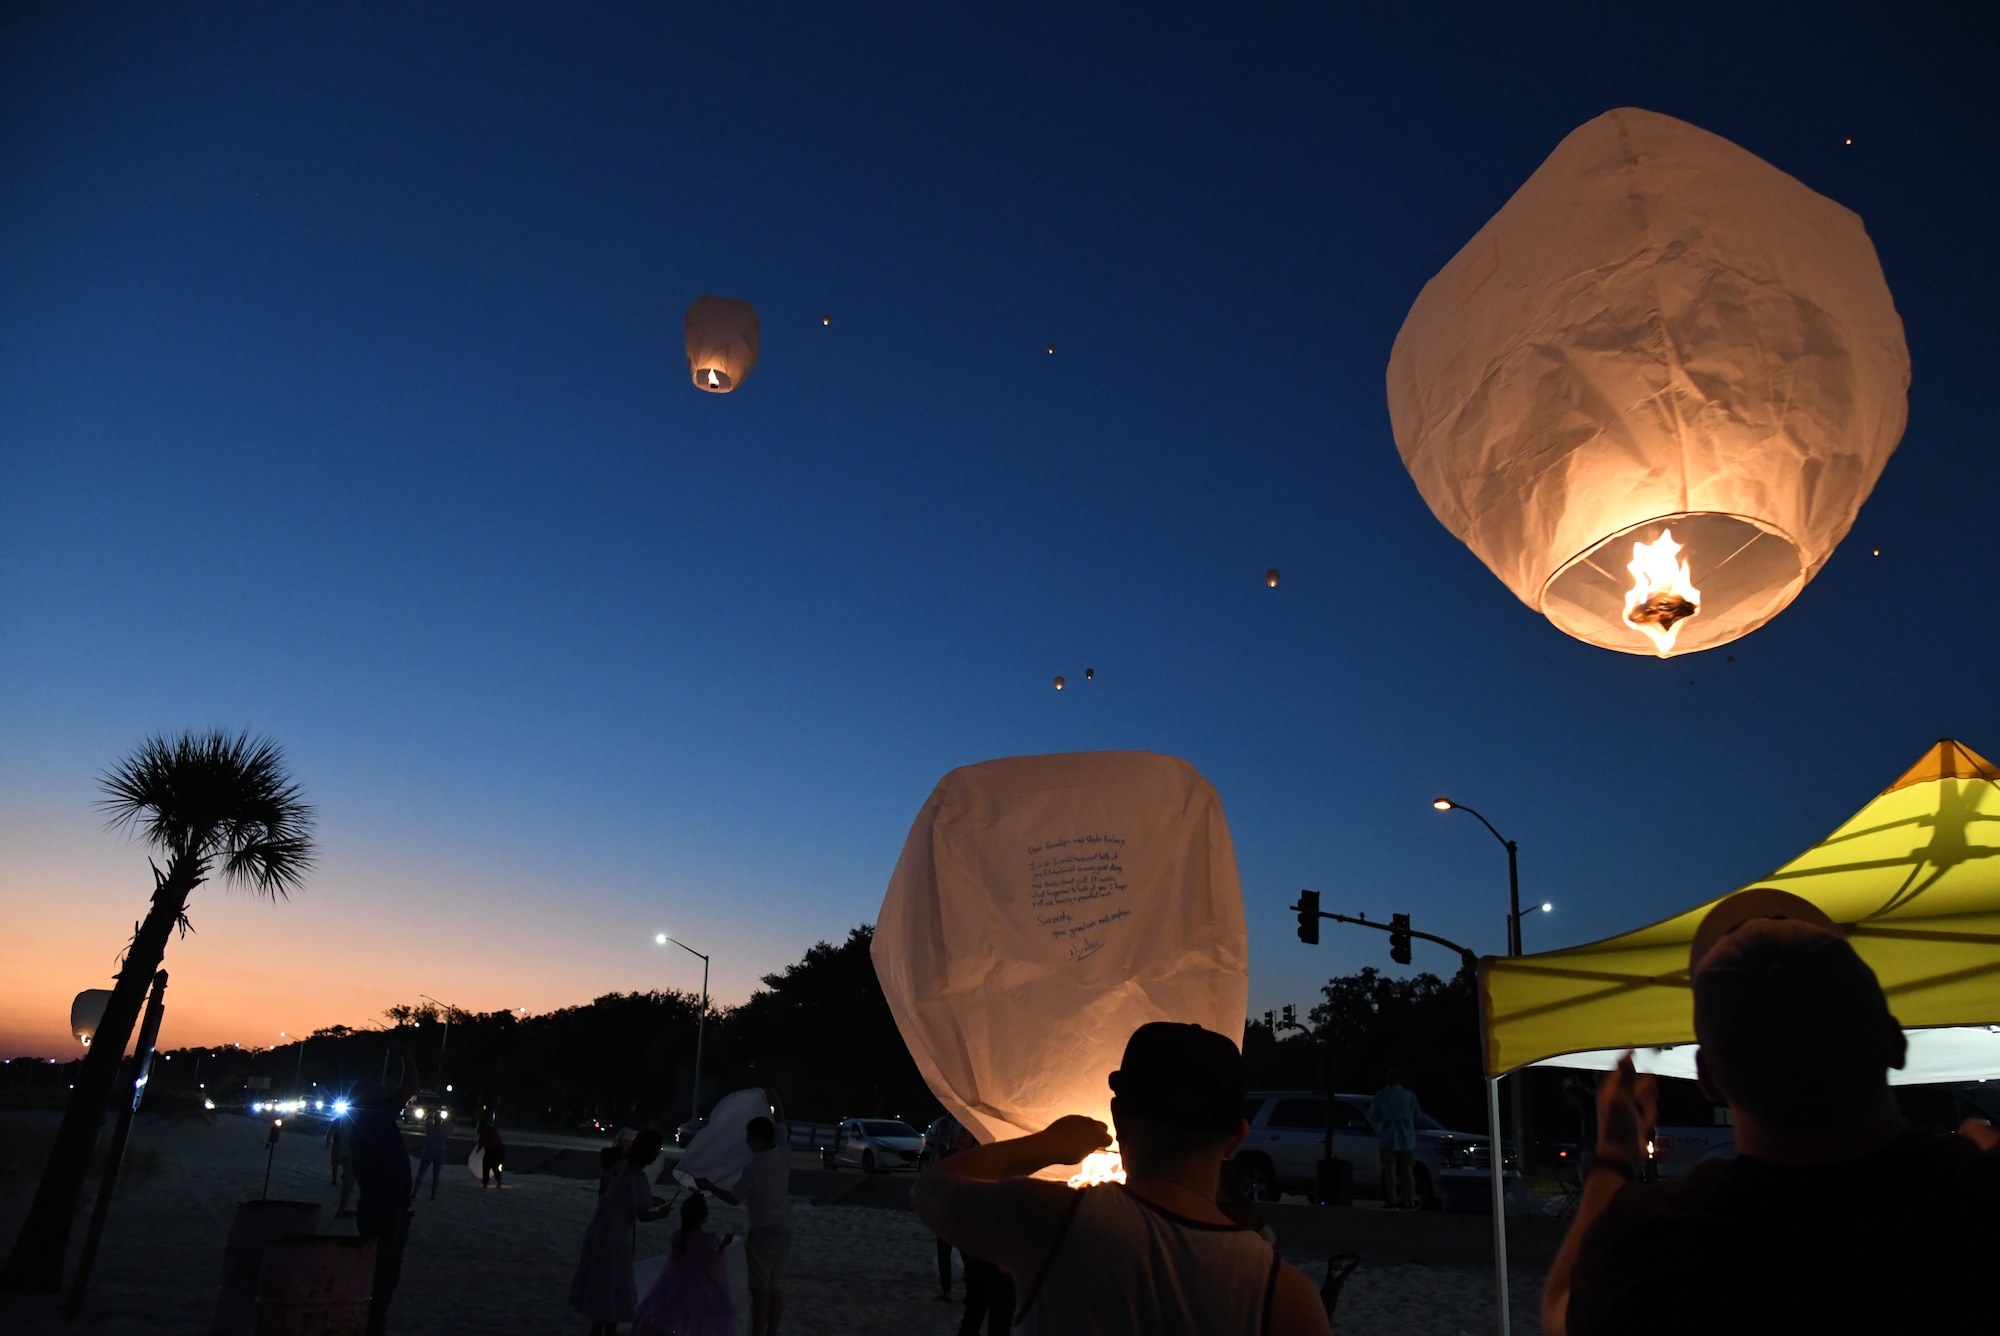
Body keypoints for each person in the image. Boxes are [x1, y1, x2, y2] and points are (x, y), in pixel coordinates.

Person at [1542, 889, 2000, 1336]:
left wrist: (1611, 1160)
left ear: (1709, 1079)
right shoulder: (1978, 1202)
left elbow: (1561, 1311)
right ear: (1895, 1040)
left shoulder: (1656, 1246)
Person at [911, 1021, 1331, 1335]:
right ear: (1236, 1139)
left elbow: (931, 1189)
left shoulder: (1051, 1221)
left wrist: (1047, 1145)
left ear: (1117, 1117)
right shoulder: (1287, 1297)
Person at [694, 1115, 791, 1336]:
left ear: (761, 1139)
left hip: (763, 1231)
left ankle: (757, 1332)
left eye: (750, 1138)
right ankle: (771, 1332)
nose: (747, 1142)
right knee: (774, 1289)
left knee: (760, 1290)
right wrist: (773, 1097)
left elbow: (734, 1198)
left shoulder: (756, 1167)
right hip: (784, 1228)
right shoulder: (784, 1150)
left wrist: (710, 1186)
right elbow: (782, 1124)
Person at [569, 1128, 672, 1335]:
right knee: (615, 1286)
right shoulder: (637, 1177)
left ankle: (598, 1328)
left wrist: (650, 1201)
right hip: (617, 1236)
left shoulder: (620, 1168)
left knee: (602, 1284)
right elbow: (642, 1215)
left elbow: (623, 1197)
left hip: (601, 1229)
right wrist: (661, 1214)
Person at [346, 1045, 418, 1336]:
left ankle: (372, 1323)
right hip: (385, 1208)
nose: (381, 1090)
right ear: (364, 1096)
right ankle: (372, 1326)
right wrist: (408, 1057)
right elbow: (409, 1086)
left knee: (380, 1274)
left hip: (383, 1205)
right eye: (375, 1088)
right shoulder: (375, 1115)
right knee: (381, 1276)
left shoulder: (366, 1119)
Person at [633, 1191, 735, 1336]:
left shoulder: (677, 1236)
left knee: (670, 1318)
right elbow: (713, 1263)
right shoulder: (708, 1239)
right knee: (696, 1324)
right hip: (700, 1287)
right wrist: (724, 1245)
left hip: (673, 1284)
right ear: (704, 1217)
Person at [1366, 1068, 1419, 1209]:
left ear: (1386, 1080)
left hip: (1387, 1138)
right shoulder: (1409, 1095)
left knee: (1390, 1171)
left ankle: (1392, 1199)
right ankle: (1410, 1199)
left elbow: (1373, 1116)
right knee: (1408, 1170)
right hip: (1406, 1139)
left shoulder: (1381, 1096)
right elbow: (1417, 1115)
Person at [925, 1116, 964, 1302]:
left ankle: (965, 1289)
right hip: (946, 1198)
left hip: (959, 1196)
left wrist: (956, 1142)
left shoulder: (964, 1127)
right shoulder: (942, 1125)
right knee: (944, 1248)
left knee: (965, 1248)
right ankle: (946, 1289)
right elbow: (933, 1161)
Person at [412, 1107, 449, 1201]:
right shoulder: (445, 1129)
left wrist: (431, 1112)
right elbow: (453, 1122)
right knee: (436, 1174)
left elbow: (426, 1119)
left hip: (429, 1150)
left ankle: (415, 1192)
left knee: (421, 1172)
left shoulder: (430, 1127)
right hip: (441, 1151)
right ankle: (433, 1194)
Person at [477, 1116, 507, 1188]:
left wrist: (479, 1148)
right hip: (499, 1149)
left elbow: (482, 1140)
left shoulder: (484, 1131)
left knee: (486, 1166)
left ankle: (485, 1183)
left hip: (491, 1150)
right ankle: (499, 1180)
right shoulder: (493, 1129)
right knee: (495, 1166)